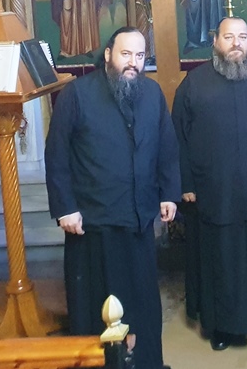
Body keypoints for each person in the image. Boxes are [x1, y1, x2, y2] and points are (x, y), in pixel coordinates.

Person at [46, 27, 178, 369]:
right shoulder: (77, 94)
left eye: (140, 55)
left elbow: (166, 148)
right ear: (108, 54)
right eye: (126, 54)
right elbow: (57, 155)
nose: (133, 62)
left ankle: (146, 362)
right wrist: (65, 208)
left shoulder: (152, 93)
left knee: (141, 304)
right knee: (97, 306)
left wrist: (169, 193)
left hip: (138, 221)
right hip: (93, 224)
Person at [172, 17, 247, 350]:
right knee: (223, 259)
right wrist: (185, 183)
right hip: (215, 190)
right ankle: (223, 328)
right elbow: (178, 137)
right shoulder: (194, 84)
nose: (236, 43)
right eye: (229, 37)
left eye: (242, 36)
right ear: (215, 42)